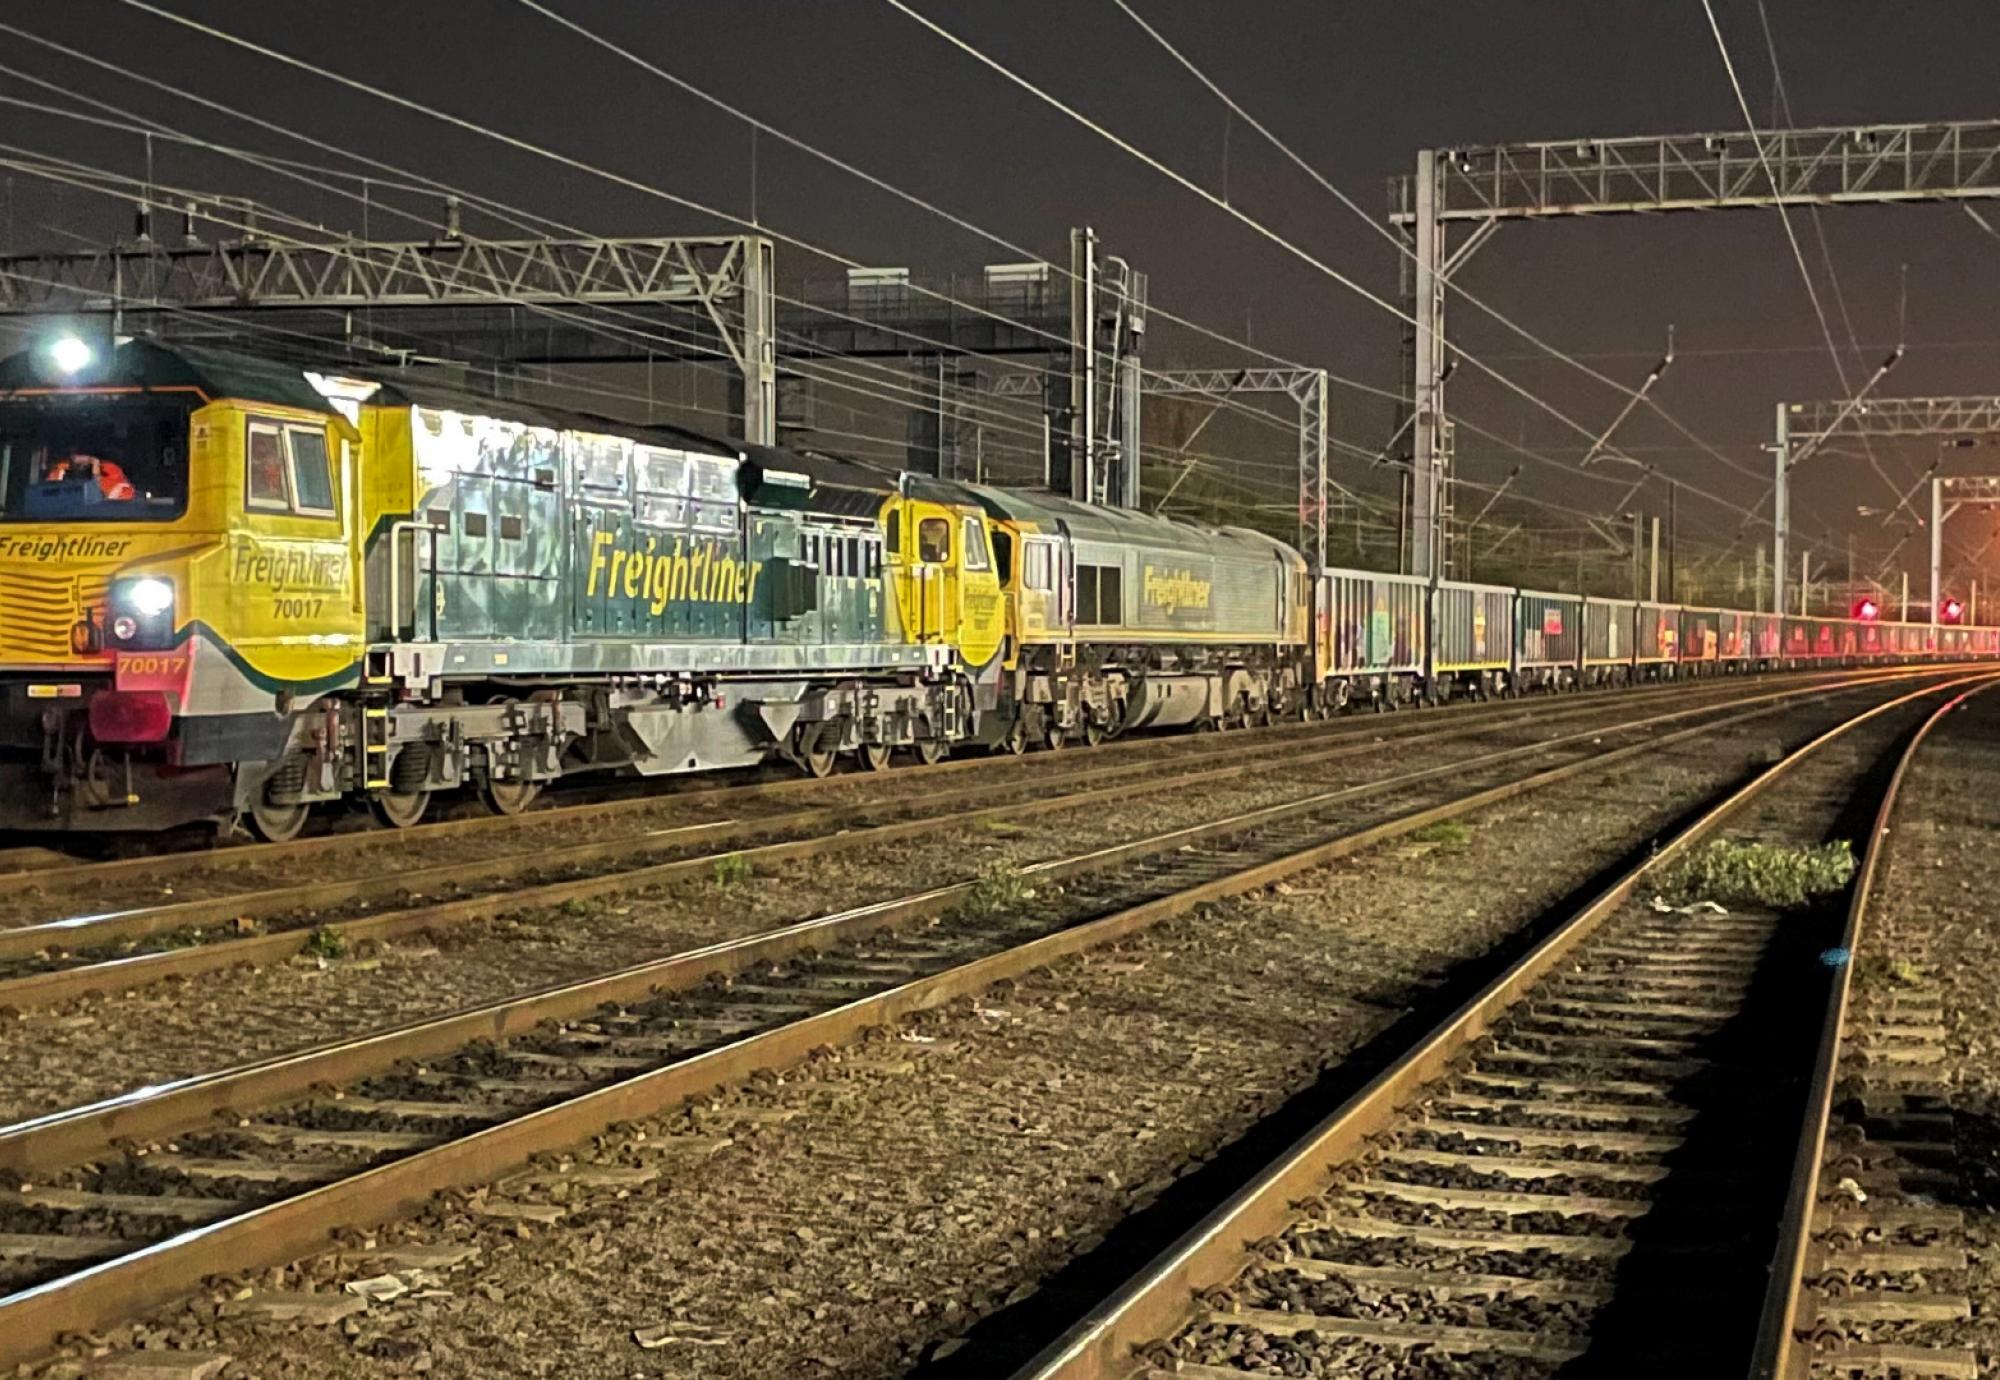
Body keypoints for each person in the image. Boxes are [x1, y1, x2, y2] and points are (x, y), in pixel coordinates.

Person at [44, 453, 136, 501]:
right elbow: (46, 495)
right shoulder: (59, 472)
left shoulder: (114, 475)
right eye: (74, 458)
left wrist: (93, 462)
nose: (79, 460)